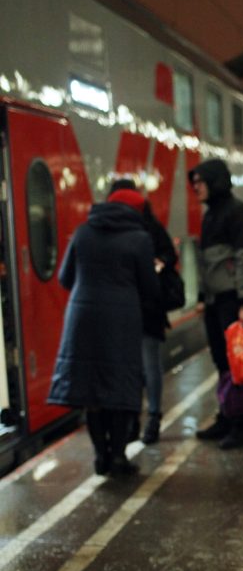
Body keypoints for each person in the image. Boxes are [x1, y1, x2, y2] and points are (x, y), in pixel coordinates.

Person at [48, 188, 160, 475]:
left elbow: (64, 277)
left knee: (91, 390)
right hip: (122, 320)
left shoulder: (83, 232)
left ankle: (100, 457)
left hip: (82, 318)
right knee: (120, 386)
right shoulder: (139, 239)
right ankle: (119, 456)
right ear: (136, 211)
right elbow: (149, 288)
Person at [190, 158, 243, 449]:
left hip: (232, 301)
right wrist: (203, 297)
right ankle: (226, 416)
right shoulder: (210, 215)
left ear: (215, 182)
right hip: (215, 301)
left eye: (200, 184)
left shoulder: (239, 213)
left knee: (237, 364)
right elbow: (206, 264)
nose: (196, 190)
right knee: (221, 363)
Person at [107, 179, 180, 446]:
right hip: (126, 308)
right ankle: (135, 420)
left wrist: (157, 264)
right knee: (134, 368)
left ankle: (152, 419)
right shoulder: (117, 228)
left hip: (148, 307)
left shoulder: (147, 227)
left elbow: (169, 255)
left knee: (149, 366)